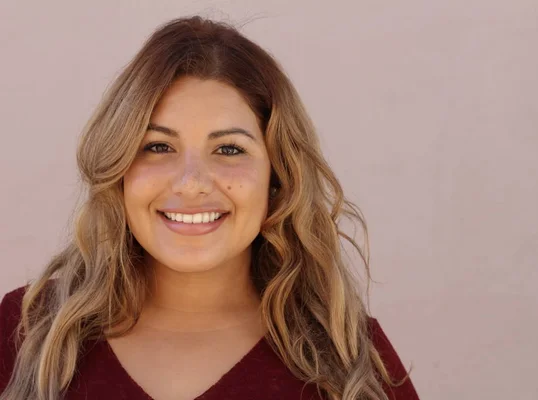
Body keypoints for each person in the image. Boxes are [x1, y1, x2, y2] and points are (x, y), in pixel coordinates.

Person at [0, 15, 420, 400]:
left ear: (278, 176)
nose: (192, 183)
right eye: (158, 146)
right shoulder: (27, 332)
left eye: (229, 149)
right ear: (120, 169)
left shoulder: (348, 361)